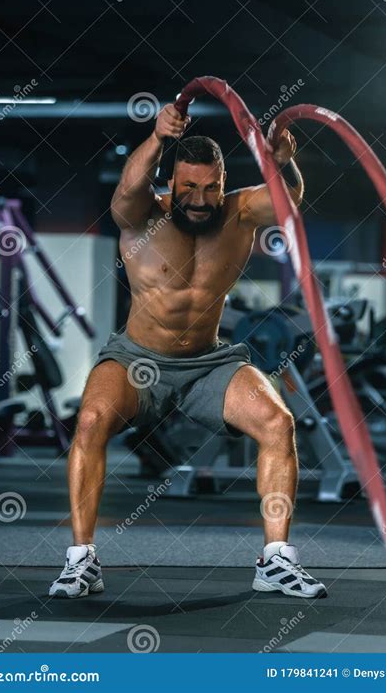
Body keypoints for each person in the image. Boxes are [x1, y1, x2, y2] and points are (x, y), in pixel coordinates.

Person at [49, 104, 326, 600]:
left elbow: (291, 202)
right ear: (171, 184)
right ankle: (81, 561)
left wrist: (282, 163)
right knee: (90, 421)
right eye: (188, 188)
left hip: (209, 363)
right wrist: (156, 138)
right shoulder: (142, 218)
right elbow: (128, 190)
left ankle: (276, 560)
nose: (200, 200)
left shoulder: (240, 213)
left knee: (277, 421)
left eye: (210, 188)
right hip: (138, 361)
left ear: (223, 182)